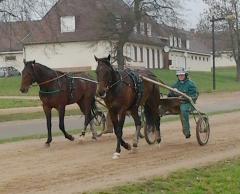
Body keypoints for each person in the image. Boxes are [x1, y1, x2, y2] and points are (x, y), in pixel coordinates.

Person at [168, 68, 199, 138]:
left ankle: (187, 131)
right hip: (177, 103)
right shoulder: (175, 85)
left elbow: (195, 95)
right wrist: (172, 93)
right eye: (179, 75)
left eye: (182, 75)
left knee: (183, 110)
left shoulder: (191, 84)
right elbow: (169, 94)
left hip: (188, 103)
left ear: (185, 75)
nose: (180, 76)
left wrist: (185, 97)